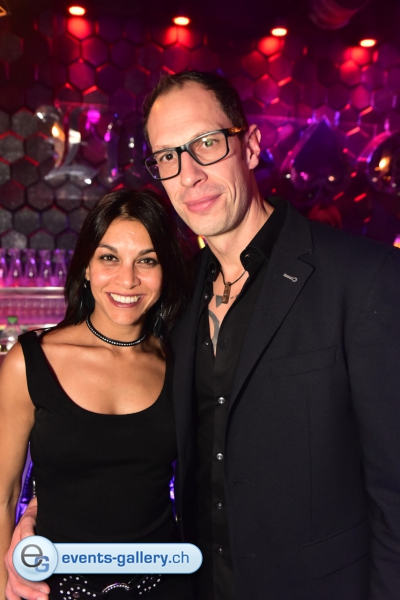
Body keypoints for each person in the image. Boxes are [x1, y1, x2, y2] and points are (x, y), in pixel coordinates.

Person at [6, 70, 400, 600]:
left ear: (251, 146)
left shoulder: (365, 278)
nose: (189, 174)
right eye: (168, 156)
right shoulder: (176, 299)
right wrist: (38, 516)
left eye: (207, 143)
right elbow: (107, 443)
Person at [0, 189, 193, 600]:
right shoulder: (30, 362)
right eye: (109, 258)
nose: (127, 279)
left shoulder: (180, 362)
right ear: (86, 266)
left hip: (165, 588)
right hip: (53, 590)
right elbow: (3, 496)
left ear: (165, 271)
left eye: (147, 260)